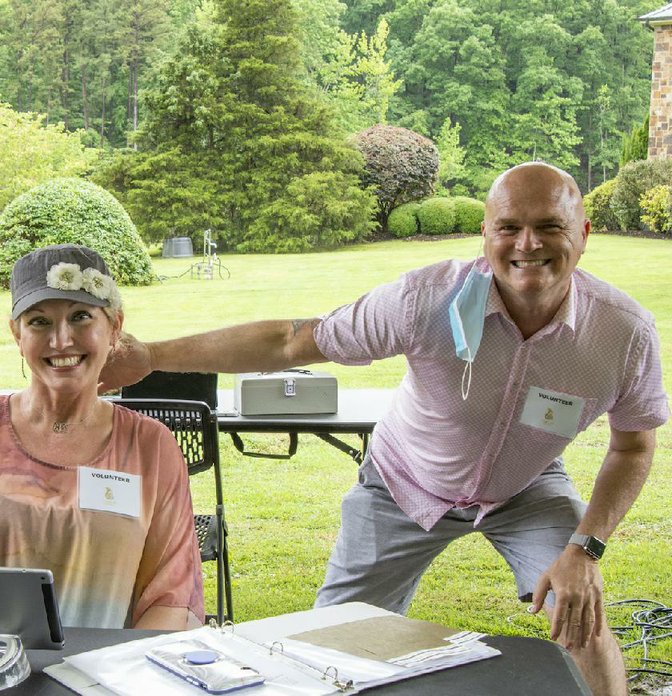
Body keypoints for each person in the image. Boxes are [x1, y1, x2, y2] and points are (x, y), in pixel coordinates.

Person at [99, 162, 668, 695]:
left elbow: (634, 443)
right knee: (326, 644)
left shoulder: (623, 335)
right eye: (509, 227)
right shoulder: (425, 301)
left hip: (528, 488)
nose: (527, 244)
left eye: (550, 227)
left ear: (585, 233)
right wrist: (151, 354)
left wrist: (585, 549)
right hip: (402, 483)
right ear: (485, 233)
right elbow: (291, 340)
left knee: (582, 621)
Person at [0, 244, 204, 631]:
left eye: (81, 317)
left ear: (114, 328)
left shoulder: (150, 446)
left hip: (107, 678)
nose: (61, 341)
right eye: (39, 322)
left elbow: (170, 595)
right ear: (17, 334)